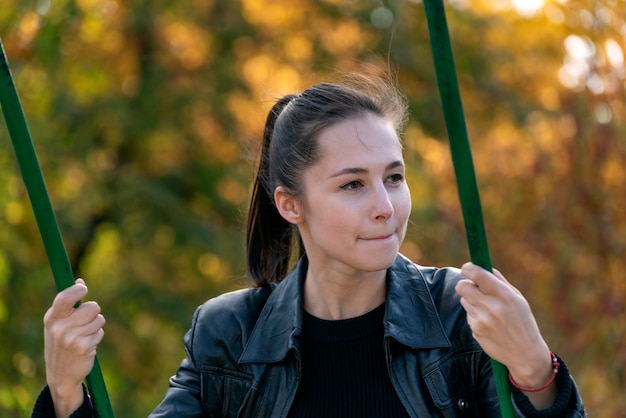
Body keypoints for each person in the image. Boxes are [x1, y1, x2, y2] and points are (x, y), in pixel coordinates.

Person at [32, 74, 586, 417]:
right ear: (290, 204)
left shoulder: (459, 314)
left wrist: (536, 370)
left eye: (394, 177)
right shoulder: (229, 337)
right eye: (352, 184)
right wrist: (64, 393)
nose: (385, 206)